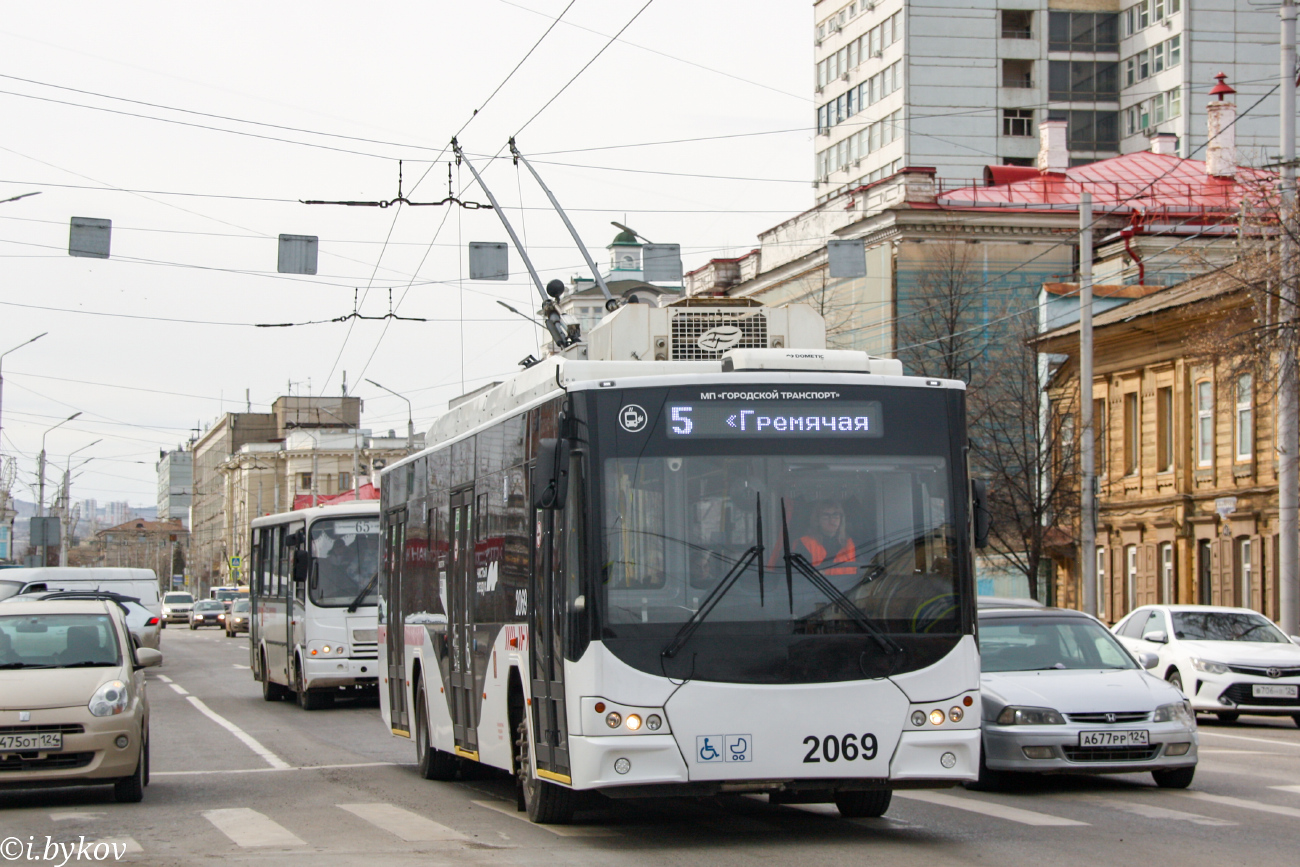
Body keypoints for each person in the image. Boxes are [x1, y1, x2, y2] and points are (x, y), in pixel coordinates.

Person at [795, 501, 858, 576]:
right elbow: (800, 574)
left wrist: (825, 573)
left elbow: (858, 571)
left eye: (835, 515)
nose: (832, 520)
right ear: (817, 520)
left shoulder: (850, 544)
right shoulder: (805, 543)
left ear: (841, 519)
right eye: (826, 516)